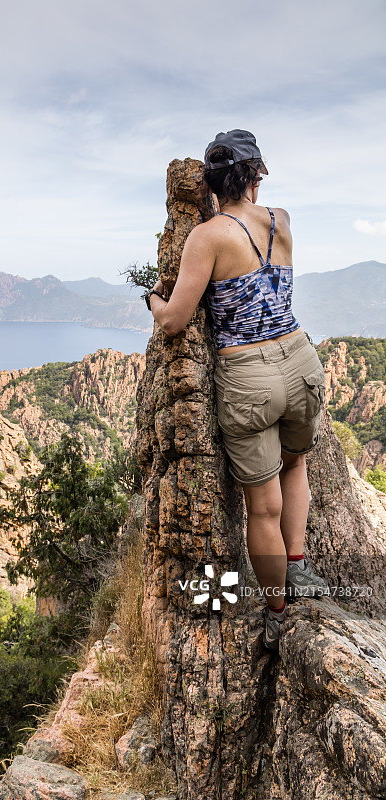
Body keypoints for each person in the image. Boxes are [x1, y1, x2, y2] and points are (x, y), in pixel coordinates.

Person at [145, 129, 328, 652]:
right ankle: (298, 567)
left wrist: (154, 302)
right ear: (254, 176)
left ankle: (276, 613)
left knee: (261, 507)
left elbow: (176, 320)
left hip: (248, 376)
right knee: (297, 465)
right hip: (300, 361)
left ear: (210, 183)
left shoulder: (208, 236)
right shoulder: (282, 221)